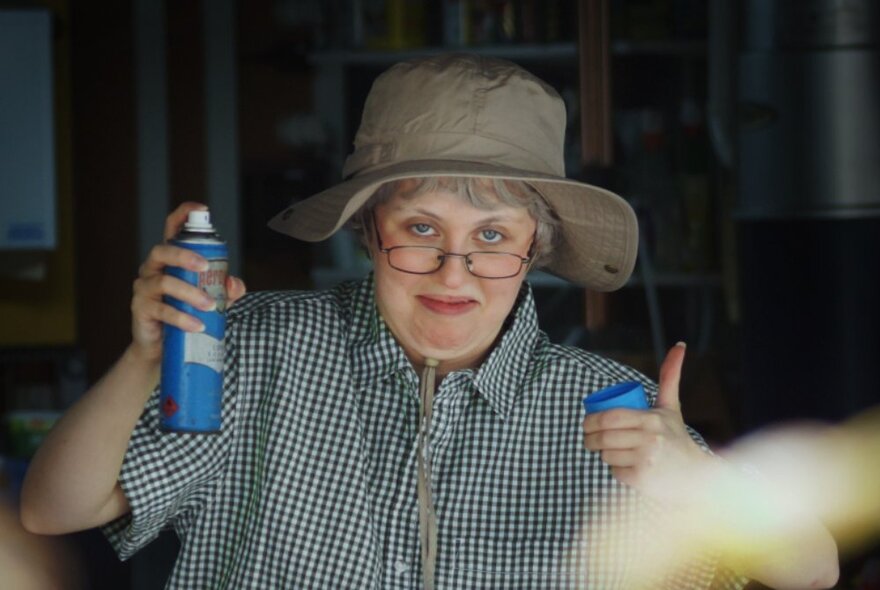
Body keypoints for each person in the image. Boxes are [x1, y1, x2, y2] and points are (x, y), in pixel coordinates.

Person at [20, 54, 837, 589]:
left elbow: (815, 569)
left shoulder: (610, 407)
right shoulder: (256, 349)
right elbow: (53, 510)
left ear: (536, 247)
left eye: (491, 238)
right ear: (369, 230)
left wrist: (699, 480)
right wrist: (141, 360)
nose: (455, 272)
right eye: (420, 231)